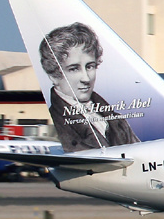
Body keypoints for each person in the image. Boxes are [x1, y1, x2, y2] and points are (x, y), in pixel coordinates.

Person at [40, 22, 140, 152]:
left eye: (90, 66)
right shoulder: (61, 122)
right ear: (53, 75)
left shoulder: (115, 119)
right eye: (74, 69)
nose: (86, 79)